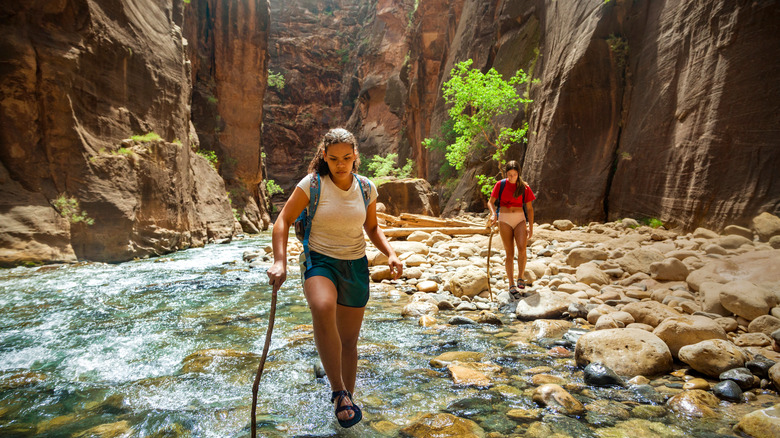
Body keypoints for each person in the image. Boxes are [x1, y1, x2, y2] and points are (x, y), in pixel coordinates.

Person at [266, 127, 402, 428]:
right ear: (324, 157)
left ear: (356, 157)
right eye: (334, 158)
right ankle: (339, 393)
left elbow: (372, 227)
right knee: (323, 306)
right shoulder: (312, 184)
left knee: (349, 340)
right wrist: (280, 261)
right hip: (320, 260)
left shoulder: (366, 187)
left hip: (354, 264)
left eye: (347, 158)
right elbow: (283, 220)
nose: (341, 164)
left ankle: (348, 397)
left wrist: (390, 253)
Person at [487, 161, 535, 298]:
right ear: (506, 173)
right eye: (509, 174)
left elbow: (530, 209)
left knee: (522, 249)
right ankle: (511, 284)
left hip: (520, 219)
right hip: (504, 220)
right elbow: (491, 202)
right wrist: (492, 214)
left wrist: (531, 227)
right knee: (509, 253)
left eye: (514, 174)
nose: (512, 177)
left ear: (518, 173)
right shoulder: (500, 185)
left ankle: (520, 277)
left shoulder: (524, 187)